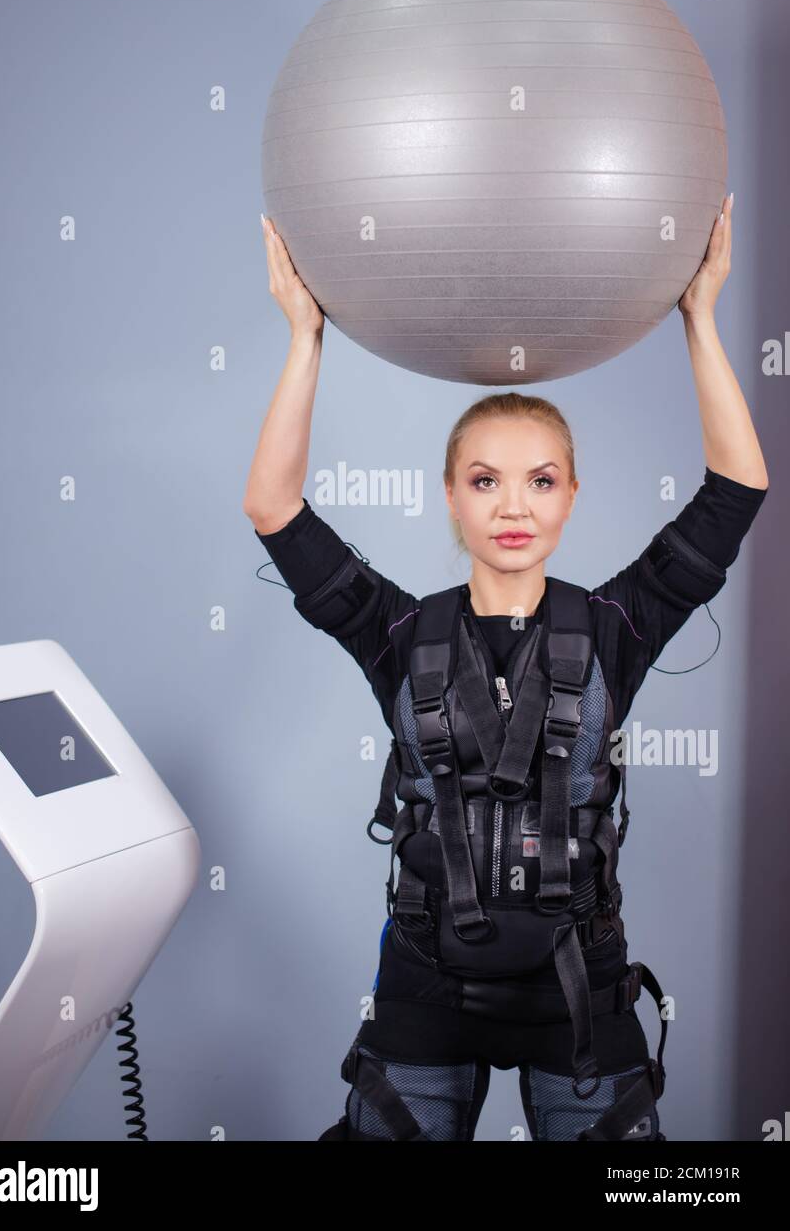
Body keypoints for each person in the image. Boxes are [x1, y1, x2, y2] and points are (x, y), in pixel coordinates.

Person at [244, 194, 768, 1141]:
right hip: (424, 978)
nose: (511, 506)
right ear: (450, 496)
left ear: (571, 496)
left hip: (578, 980)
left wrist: (700, 317)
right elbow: (275, 510)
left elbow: (737, 491)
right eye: (484, 479)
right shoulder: (398, 634)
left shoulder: (616, 625)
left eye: (540, 479)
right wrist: (305, 339)